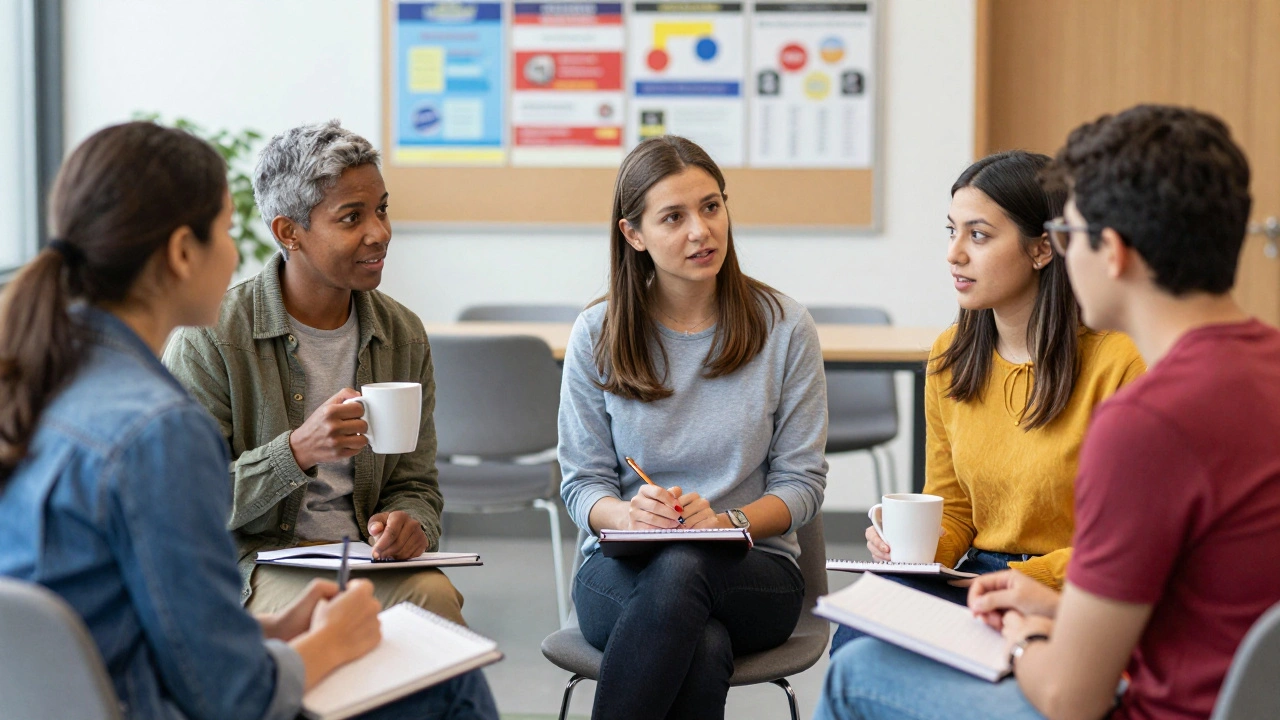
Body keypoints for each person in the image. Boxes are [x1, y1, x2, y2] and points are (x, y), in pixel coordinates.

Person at [0, 122, 497, 719]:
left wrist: (278, 632)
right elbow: (230, 693)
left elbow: (149, 617)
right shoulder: (157, 430)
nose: (238, 255)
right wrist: (331, 643)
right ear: (184, 251)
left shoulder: (47, 382)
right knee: (449, 684)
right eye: (230, 231)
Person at [816, 105, 1280, 720]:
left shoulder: (1147, 418)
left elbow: (1069, 698)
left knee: (856, 674)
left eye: (1068, 233)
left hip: (1144, 700)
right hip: (1213, 679)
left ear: (1108, 251)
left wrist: (1028, 632)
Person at [557, 135, 828, 720]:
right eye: (673, 217)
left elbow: (802, 485)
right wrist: (628, 517)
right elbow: (582, 485)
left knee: (684, 563)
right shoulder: (597, 333)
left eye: (711, 206)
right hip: (619, 568)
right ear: (634, 235)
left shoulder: (785, 328)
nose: (701, 232)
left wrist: (727, 522)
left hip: (755, 571)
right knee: (701, 644)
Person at [830, 150, 1145, 654]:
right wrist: (913, 549)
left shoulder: (1117, 362)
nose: (954, 254)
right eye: (951, 231)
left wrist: (1028, 579)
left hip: (1073, 589)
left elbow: (1128, 539)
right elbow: (953, 509)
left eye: (978, 235)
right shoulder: (949, 357)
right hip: (970, 575)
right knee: (857, 639)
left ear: (1042, 249)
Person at [163, 120, 465, 624]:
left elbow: (417, 482)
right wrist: (297, 451)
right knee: (357, 622)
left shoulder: (402, 333)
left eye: (382, 209)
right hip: (255, 564)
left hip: (372, 563)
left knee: (434, 603)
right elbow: (183, 505)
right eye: (352, 218)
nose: (381, 232)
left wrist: (413, 523)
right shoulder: (211, 338)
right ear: (289, 232)